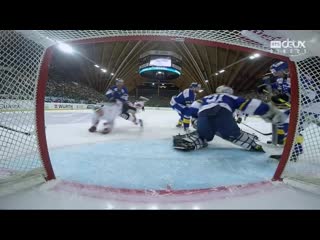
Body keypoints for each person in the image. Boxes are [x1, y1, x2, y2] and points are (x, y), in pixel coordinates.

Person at [173, 85, 287, 152]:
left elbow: (192, 111)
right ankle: (252, 144)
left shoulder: (205, 98)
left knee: (205, 135)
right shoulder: (230, 97)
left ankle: (196, 138)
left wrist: (194, 119)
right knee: (233, 133)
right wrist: (268, 112)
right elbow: (249, 105)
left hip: (203, 116)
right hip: (224, 115)